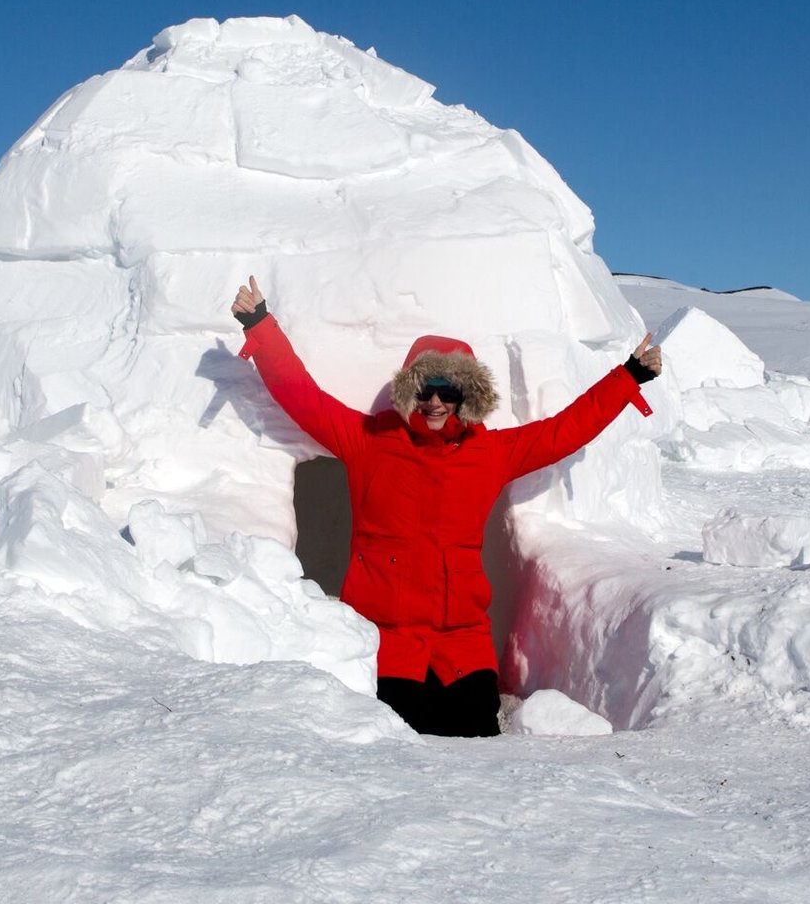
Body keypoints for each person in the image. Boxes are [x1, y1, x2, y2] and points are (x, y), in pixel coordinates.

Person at [231, 276, 661, 736]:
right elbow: (303, 397)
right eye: (425, 388)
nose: (436, 401)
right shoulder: (369, 441)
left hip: (462, 645)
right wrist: (260, 325)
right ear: (409, 390)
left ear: (468, 397)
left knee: (477, 745)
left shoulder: (489, 454)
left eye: (449, 390)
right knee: (398, 742)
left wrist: (628, 376)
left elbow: (563, 431)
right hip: (386, 641)